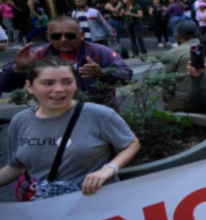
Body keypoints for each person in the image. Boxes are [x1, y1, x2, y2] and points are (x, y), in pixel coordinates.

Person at [0, 57, 140, 198]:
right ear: (30, 86)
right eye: (48, 83)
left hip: (94, 202)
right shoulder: (20, 120)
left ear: (76, 84)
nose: (59, 89)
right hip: (42, 207)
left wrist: (110, 168)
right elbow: (16, 166)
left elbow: (131, 143)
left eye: (67, 82)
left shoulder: (99, 115)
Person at [1, 17, 132, 106]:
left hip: (98, 115)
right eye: (56, 36)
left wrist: (102, 73)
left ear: (81, 35)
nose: (63, 40)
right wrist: (19, 69)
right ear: (48, 36)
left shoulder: (100, 52)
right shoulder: (35, 54)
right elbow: (5, 85)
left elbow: (126, 75)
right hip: (54, 116)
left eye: (70, 35)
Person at [163, 21, 203, 112]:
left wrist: (167, 98)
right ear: (198, 34)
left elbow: (167, 80)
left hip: (183, 99)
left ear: (178, 37)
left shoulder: (174, 52)